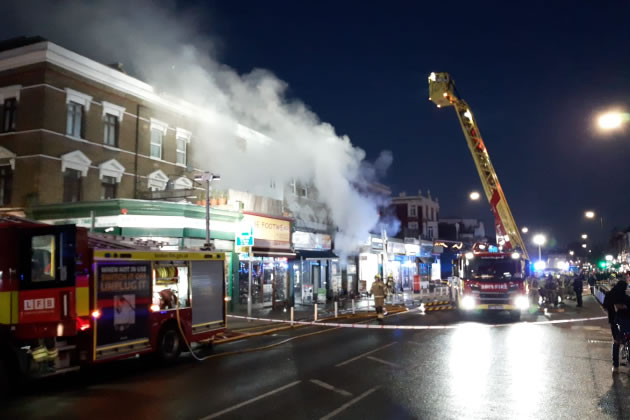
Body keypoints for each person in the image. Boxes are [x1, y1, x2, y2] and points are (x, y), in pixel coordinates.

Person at [603, 280, 630, 373]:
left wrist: (613, 308)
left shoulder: (609, 295)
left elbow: (605, 306)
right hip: (627, 321)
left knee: (616, 342)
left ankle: (616, 366)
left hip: (615, 321)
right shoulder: (626, 297)